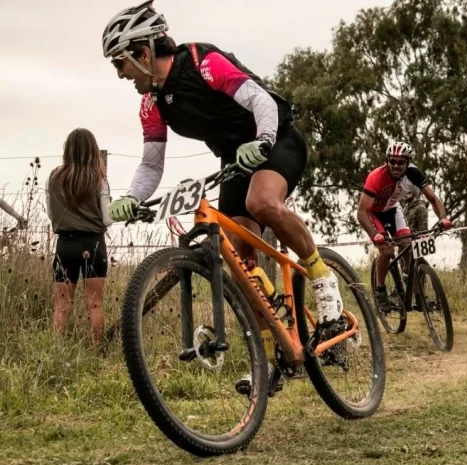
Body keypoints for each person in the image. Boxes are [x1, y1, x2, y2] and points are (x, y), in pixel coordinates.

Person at [101, 1, 342, 327]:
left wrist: (264, 139)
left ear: (143, 53)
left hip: (274, 138)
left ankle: (321, 277)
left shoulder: (203, 63)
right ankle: (274, 353)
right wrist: (133, 197)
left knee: (261, 202)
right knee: (240, 255)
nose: (119, 74)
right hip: (235, 158)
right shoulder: (151, 105)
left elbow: (261, 100)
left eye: (120, 62)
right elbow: (152, 165)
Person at [356, 142, 452, 312]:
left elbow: (433, 199)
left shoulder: (414, 173)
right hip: (373, 213)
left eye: (400, 162)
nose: (396, 165)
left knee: (408, 247)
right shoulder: (376, 176)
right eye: (392, 161)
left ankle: (418, 297)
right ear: (387, 161)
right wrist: (375, 235)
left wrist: (443, 218)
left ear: (408, 163)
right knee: (387, 250)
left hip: (393, 209)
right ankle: (380, 290)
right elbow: (361, 212)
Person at [46, 128, 113, 348]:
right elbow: (107, 220)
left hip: (65, 243)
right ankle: (95, 351)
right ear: (93, 150)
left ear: (68, 149)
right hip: (93, 243)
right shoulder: (100, 179)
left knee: (61, 305)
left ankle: (56, 350)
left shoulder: (54, 177)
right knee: (94, 304)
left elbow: (50, 213)